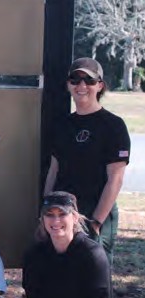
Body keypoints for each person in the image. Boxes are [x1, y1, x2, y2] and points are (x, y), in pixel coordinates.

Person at [44, 57, 130, 265]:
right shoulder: (62, 125)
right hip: (62, 212)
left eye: (89, 81)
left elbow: (115, 180)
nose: (82, 86)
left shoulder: (113, 126)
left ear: (100, 85)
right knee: (64, 275)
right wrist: (46, 208)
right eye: (75, 80)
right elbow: (54, 170)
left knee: (95, 279)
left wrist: (96, 223)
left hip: (96, 211)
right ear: (68, 84)